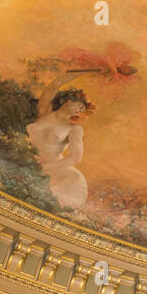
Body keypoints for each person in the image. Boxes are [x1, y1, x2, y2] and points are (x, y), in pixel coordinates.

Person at [27, 77, 92, 208]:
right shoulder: (44, 111)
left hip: (63, 177)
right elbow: (55, 84)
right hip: (29, 162)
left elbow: (75, 158)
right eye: (79, 105)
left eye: (82, 108)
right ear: (68, 101)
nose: (80, 110)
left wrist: (46, 167)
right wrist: (88, 70)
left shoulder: (74, 129)